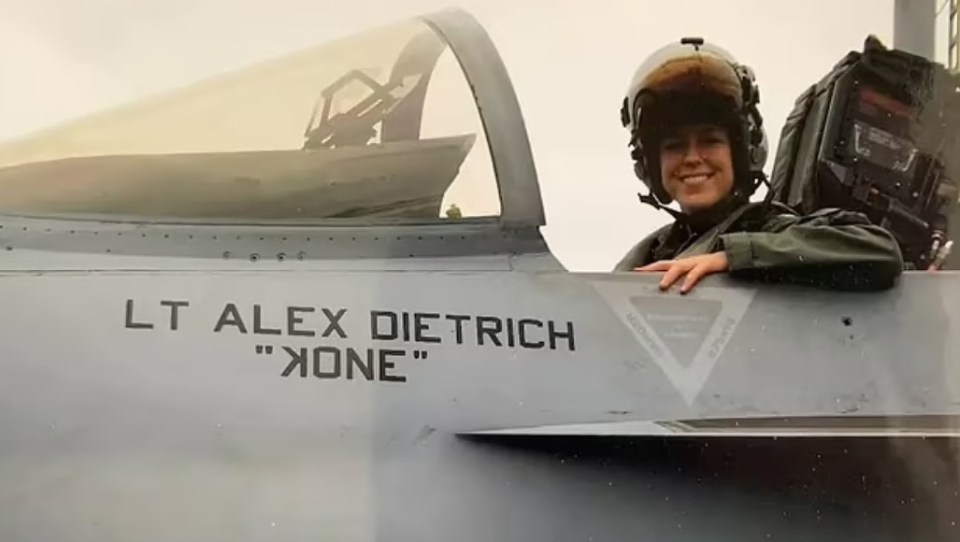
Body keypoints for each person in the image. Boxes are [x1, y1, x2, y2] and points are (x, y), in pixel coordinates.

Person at [614, 37, 904, 293]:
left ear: (742, 153)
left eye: (710, 141)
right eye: (674, 146)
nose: (692, 158)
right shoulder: (652, 253)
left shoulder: (770, 228)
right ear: (650, 166)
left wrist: (731, 257)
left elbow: (880, 249)